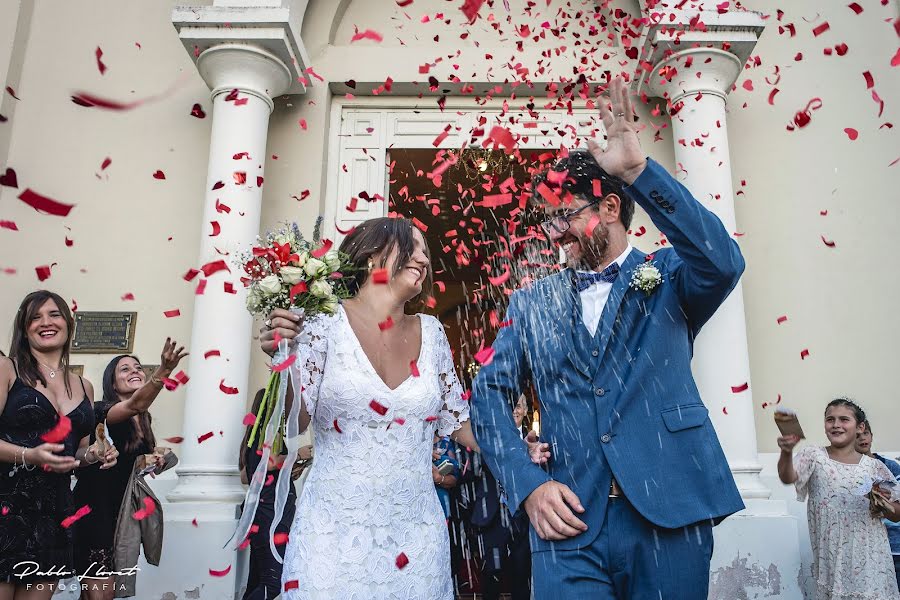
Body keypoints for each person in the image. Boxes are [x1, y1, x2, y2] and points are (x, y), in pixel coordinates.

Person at [470, 76, 745, 599]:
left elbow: (723, 261)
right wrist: (527, 487)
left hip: (669, 511)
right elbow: (487, 398)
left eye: (564, 217)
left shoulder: (669, 278)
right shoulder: (531, 303)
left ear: (610, 210)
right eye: (547, 220)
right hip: (569, 522)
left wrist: (639, 172)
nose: (554, 233)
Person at [257, 217, 504, 599]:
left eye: (426, 251)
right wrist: (285, 358)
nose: (424, 258)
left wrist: (520, 448)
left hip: (416, 536)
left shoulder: (433, 333)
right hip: (332, 534)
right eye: (413, 246)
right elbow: (295, 423)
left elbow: (459, 423)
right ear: (371, 255)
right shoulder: (322, 323)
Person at [0, 290, 118, 600]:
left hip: (54, 511)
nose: (45, 322)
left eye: (53, 314)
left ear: (68, 322)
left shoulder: (83, 385)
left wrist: (94, 454)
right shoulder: (7, 370)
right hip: (6, 505)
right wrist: (29, 455)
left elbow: (77, 450)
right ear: (24, 329)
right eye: (35, 317)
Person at [71, 339, 187, 600]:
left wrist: (154, 459)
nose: (134, 371)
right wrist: (164, 370)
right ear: (112, 383)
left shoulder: (143, 419)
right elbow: (136, 404)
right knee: (101, 592)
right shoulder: (102, 410)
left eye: (137, 367)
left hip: (122, 513)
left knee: (104, 593)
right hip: (94, 509)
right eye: (124, 369)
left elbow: (130, 461)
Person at [778, 398, 900, 600]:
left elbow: (896, 514)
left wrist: (883, 504)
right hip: (832, 559)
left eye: (844, 419)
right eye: (830, 419)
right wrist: (786, 451)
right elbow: (788, 476)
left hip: (872, 560)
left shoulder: (874, 467)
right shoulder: (814, 456)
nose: (836, 425)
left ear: (860, 427)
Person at [237, 388, 312, 600]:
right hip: (271, 516)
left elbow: (246, 476)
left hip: (260, 514)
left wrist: (288, 469)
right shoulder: (264, 436)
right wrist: (298, 454)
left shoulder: (251, 439)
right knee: (273, 582)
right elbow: (266, 464)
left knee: (257, 578)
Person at [470, 395, 531, 600]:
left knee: (522, 579)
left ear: (525, 411)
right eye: (511, 405)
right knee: (490, 581)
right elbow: (473, 470)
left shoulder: (534, 443)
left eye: (520, 405)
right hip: (493, 518)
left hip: (522, 519)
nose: (515, 409)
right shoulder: (486, 441)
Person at [856, 418, 900, 593]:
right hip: (866, 549)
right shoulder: (847, 471)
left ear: (872, 436)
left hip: (895, 547)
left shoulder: (890, 466)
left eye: (865, 433)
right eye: (857, 436)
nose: (862, 438)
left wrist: (886, 499)